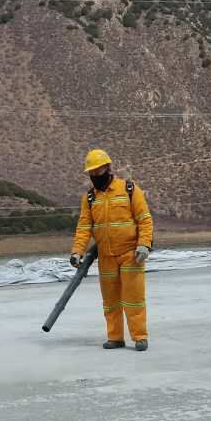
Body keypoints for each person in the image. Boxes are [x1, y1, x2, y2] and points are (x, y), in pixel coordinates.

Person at [70, 149, 154, 351]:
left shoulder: (129, 189)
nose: (95, 177)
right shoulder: (90, 198)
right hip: (106, 256)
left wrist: (144, 244)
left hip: (130, 255)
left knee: (133, 298)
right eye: (92, 173)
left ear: (108, 168)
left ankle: (140, 337)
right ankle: (115, 337)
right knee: (110, 301)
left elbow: (144, 219)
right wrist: (77, 251)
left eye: (98, 172)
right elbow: (83, 227)